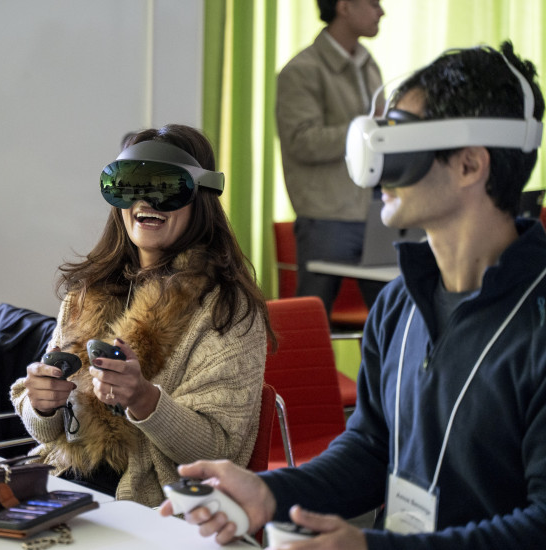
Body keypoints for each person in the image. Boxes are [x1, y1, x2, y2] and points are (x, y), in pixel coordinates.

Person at [160, 42, 546, 549]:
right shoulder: (398, 304)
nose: (378, 166)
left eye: (399, 144)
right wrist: (267, 492)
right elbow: (369, 448)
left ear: (470, 165)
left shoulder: (536, 323)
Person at [11, 124, 273, 507]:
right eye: (129, 186)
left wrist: (146, 400)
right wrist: (41, 404)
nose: (146, 202)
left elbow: (220, 450)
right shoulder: (87, 292)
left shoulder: (227, 310)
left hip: (154, 505)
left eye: (167, 187)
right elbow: (48, 434)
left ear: (201, 195)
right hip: (66, 484)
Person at [276, 0, 386, 315]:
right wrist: (368, 130)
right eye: (374, 3)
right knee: (313, 317)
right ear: (344, 7)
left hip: (375, 210)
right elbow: (302, 142)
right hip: (326, 217)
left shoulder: (369, 64)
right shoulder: (301, 70)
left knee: (389, 319)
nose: (382, 11)